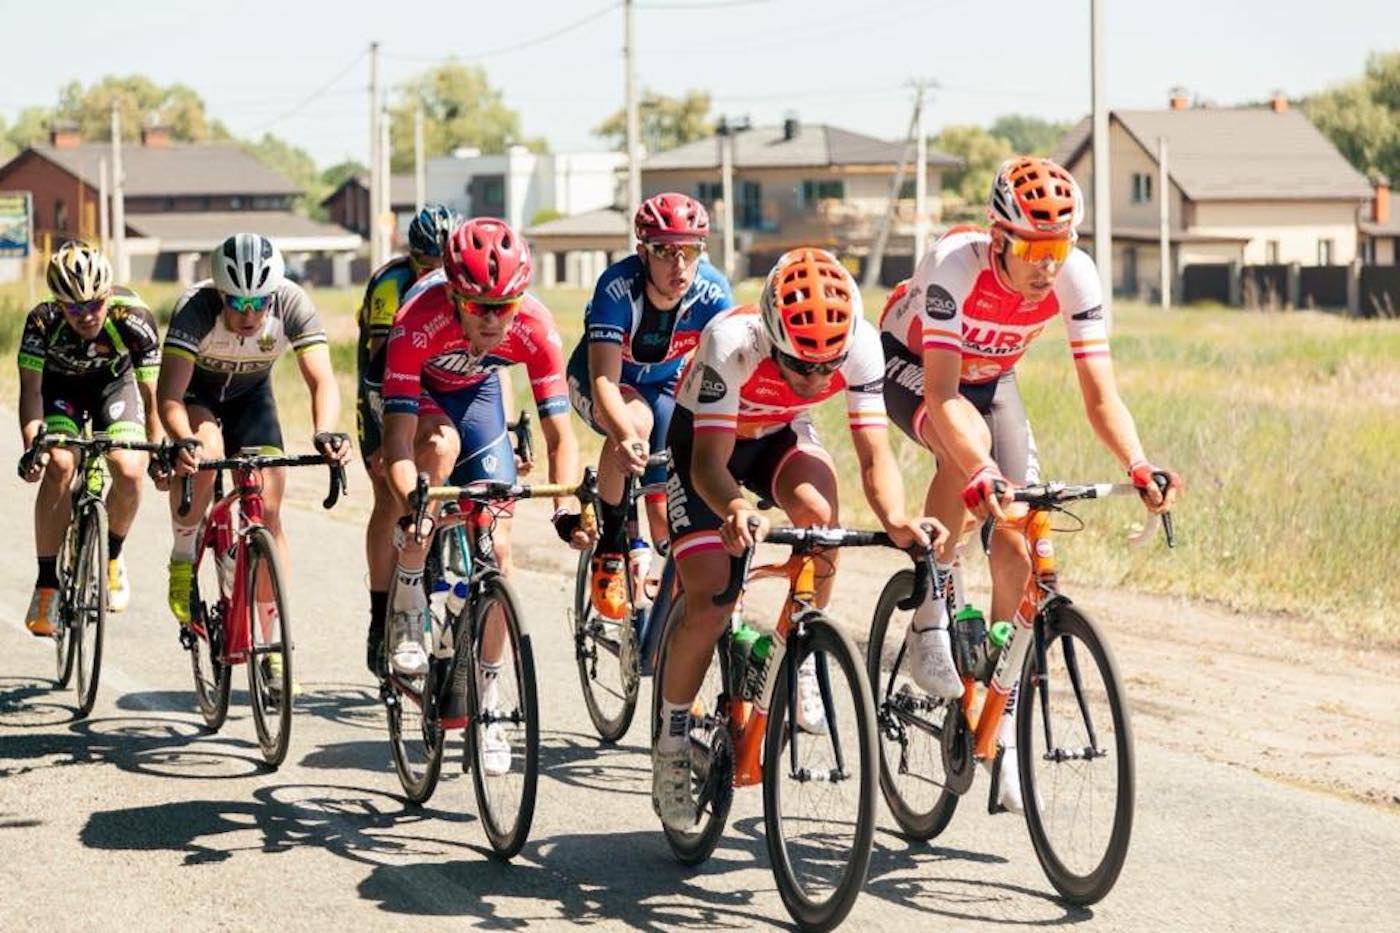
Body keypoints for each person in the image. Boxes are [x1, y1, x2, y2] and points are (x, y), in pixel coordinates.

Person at [879, 156, 1182, 812]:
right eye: (1032, 249)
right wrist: (980, 469)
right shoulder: (955, 265)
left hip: (994, 379)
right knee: (965, 456)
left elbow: (1100, 396)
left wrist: (1138, 463)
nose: (1047, 265)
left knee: (1018, 540)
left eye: (1058, 248)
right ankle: (930, 610)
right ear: (999, 238)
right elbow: (942, 393)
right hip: (914, 365)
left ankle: (1002, 725)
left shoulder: (1075, 274)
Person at [651, 247, 942, 830]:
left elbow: (873, 455)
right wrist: (736, 507)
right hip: (706, 443)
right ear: (772, 335)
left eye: (825, 367)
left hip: (778, 433)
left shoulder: (860, 346)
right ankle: (672, 741)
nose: (813, 379)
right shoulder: (730, 342)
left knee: (820, 520)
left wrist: (896, 518)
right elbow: (709, 464)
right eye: (799, 365)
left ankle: (800, 650)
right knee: (711, 599)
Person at [378, 217, 593, 770]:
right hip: (422, 397)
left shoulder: (535, 326)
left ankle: (490, 700)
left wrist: (564, 510)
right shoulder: (416, 320)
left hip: (478, 397)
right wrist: (412, 508)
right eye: (480, 307)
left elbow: (560, 436)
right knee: (438, 450)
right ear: (454, 296)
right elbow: (397, 443)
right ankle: (408, 597)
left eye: (506, 306)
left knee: (498, 550)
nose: (494, 320)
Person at [160, 233, 351, 629]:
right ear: (220, 294)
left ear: (273, 294)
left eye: (259, 303)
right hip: (199, 394)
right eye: (236, 303)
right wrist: (182, 439)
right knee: (206, 451)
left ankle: (270, 639)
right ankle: (182, 555)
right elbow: (169, 396)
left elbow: (322, 381)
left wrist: (324, 432)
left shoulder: (293, 302)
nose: (248, 314)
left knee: (268, 510)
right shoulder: (195, 307)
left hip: (251, 397)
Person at [566, 192, 733, 621]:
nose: (679, 265)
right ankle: (610, 546)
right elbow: (604, 378)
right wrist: (623, 434)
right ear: (643, 252)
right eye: (664, 251)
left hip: (662, 386)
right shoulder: (617, 286)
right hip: (602, 380)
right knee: (635, 423)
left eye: (690, 251)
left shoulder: (713, 291)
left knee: (665, 513)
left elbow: (727, 375)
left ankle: (664, 615)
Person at [18, 242, 165, 633]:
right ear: (58, 304)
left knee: (129, 470)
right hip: (60, 391)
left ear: (108, 293)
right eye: (74, 308)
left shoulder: (134, 317)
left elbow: (152, 397)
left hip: (113, 387)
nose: (86, 315)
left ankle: (112, 556)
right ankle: (46, 584)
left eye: (95, 304)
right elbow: (31, 392)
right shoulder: (42, 321)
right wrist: (34, 447)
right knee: (60, 464)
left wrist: (158, 452)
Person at [357, 203, 457, 675]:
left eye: (444, 265)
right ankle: (381, 616)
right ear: (412, 257)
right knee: (387, 495)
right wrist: (384, 440)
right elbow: (383, 365)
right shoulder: (391, 284)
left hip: (443, 383)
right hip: (387, 381)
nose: (435, 274)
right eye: (426, 264)